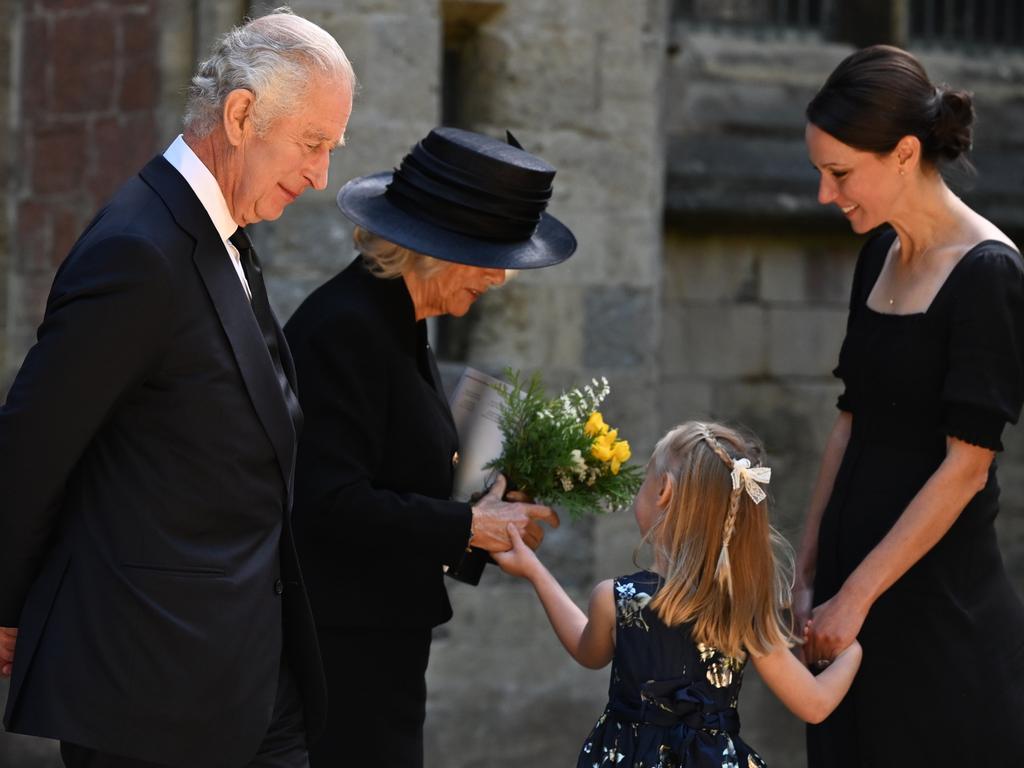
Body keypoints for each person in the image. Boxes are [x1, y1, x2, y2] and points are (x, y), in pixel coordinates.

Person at [0, 10, 354, 768]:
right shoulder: (138, 248)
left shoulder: (218, 231)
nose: (322, 174)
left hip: (243, 675)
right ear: (241, 115)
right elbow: (33, 442)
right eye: (314, 144)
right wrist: (4, 604)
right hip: (150, 692)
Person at [283, 125, 575, 767]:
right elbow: (328, 504)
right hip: (340, 653)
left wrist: (489, 510)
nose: (500, 277)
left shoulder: (396, 318)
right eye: (490, 255)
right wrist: (470, 523)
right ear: (436, 248)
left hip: (377, 646)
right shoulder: (347, 327)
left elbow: (393, 476)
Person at [799, 44, 1024, 766]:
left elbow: (966, 468)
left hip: (936, 617)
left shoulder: (990, 273)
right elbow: (850, 421)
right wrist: (807, 572)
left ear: (902, 153)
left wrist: (853, 599)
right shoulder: (877, 253)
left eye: (839, 174)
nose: (825, 196)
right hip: (843, 604)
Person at [494, 421, 862, 767]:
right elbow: (814, 705)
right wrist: (851, 651)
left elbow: (587, 651)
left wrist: (533, 570)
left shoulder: (616, 598)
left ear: (664, 491)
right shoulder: (742, 612)